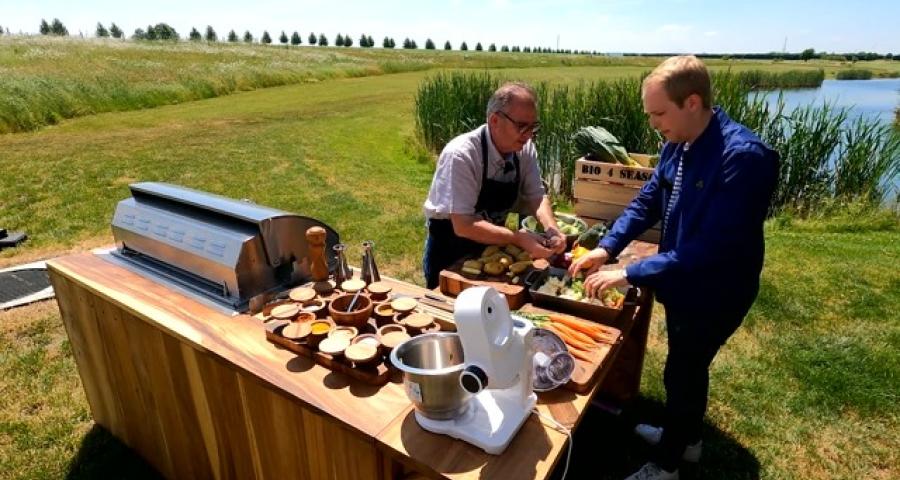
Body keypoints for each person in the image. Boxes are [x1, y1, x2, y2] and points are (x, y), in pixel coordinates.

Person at [568, 56, 779, 480]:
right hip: (685, 279)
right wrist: (608, 249)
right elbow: (648, 200)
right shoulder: (677, 142)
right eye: (650, 114)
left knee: (684, 368)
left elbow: (712, 248)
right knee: (686, 365)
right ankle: (689, 441)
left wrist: (629, 273)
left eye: (658, 113)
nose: (653, 124)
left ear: (693, 102)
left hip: (718, 287)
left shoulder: (744, 158)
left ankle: (668, 463)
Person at [422, 82, 566, 289]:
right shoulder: (462, 155)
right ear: (495, 120)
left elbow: (536, 195)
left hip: (489, 245)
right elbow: (463, 224)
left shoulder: (524, 149)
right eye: (521, 126)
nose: (529, 134)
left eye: (533, 127)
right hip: (450, 245)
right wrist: (518, 238)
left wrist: (552, 229)